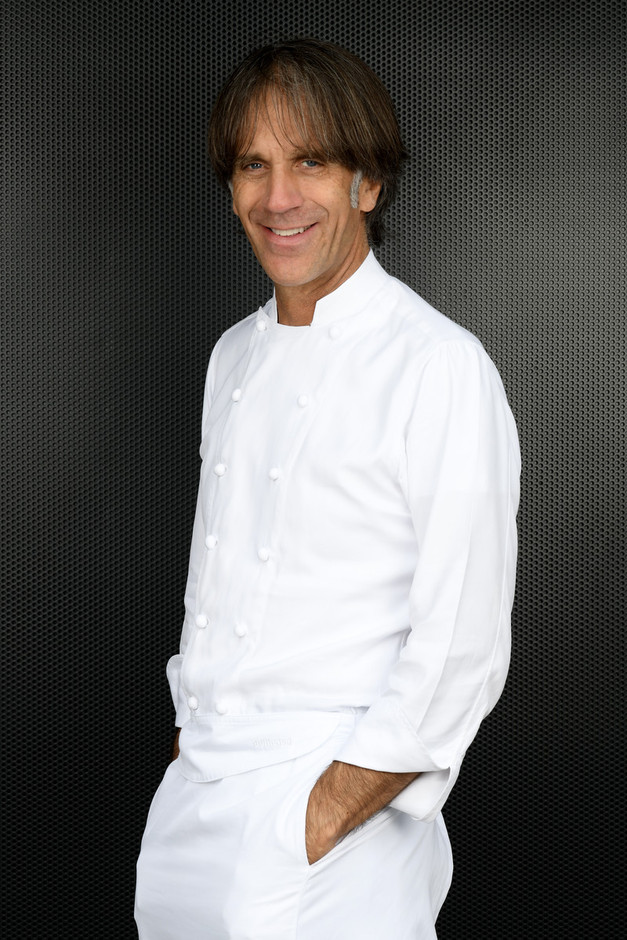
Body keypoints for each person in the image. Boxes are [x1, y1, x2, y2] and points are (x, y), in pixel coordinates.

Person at [135, 38, 520, 939]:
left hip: (327, 823)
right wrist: (190, 734)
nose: (278, 198)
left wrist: (319, 817)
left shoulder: (438, 365)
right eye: (252, 165)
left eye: (310, 161)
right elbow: (217, 577)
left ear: (367, 183)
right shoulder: (232, 355)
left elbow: (462, 640)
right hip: (196, 803)